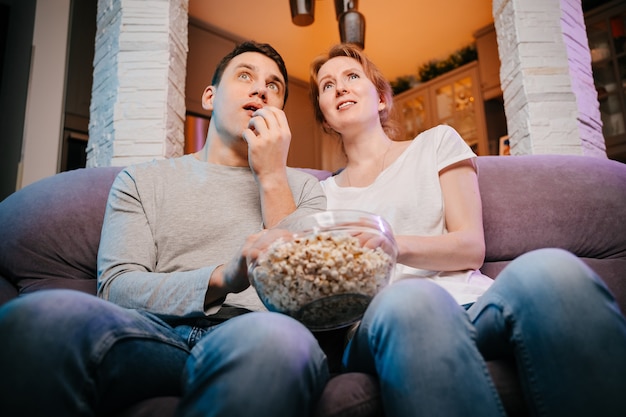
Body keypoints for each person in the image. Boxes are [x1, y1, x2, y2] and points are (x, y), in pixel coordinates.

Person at [0, 41, 329, 417]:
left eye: (274, 87)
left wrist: (272, 174)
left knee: (277, 340)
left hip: (259, 334)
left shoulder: (304, 188)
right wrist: (222, 277)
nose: (260, 89)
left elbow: (309, 298)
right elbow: (116, 288)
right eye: (245, 76)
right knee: (39, 317)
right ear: (209, 96)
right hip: (155, 337)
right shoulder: (142, 181)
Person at [308, 43, 626, 416]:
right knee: (412, 300)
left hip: (474, 304)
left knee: (554, 269)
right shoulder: (321, 196)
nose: (340, 87)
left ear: (380, 98)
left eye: (351, 77)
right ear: (326, 119)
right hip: (387, 318)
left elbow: (469, 246)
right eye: (327, 86)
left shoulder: (436, 143)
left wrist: (392, 243)